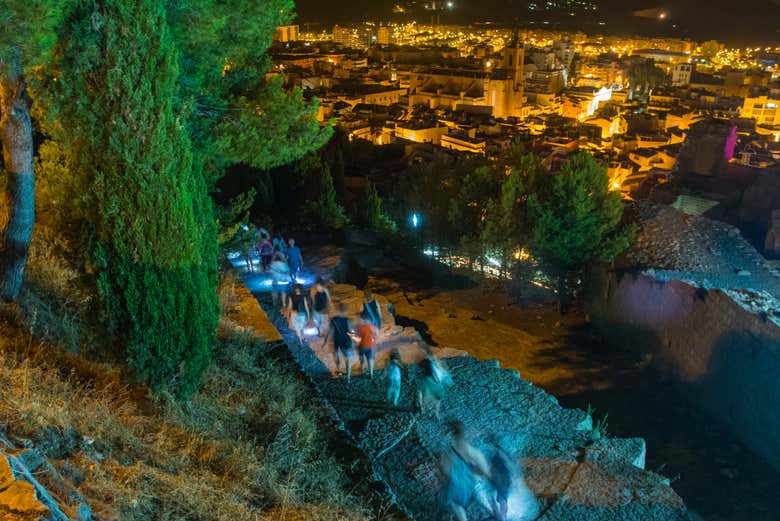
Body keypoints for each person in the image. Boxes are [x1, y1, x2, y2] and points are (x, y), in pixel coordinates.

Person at [440, 419, 489, 521]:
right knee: (458, 507)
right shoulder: (471, 449)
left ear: (453, 434)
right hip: (467, 483)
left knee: (456, 505)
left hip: (456, 483)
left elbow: (445, 469)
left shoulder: (449, 451)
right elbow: (483, 469)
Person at [321, 303, 355, 382]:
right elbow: (351, 332)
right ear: (345, 311)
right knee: (348, 359)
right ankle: (348, 378)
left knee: (337, 356)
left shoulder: (334, 320)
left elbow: (330, 331)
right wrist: (355, 342)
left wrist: (325, 341)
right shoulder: (347, 320)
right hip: (346, 341)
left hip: (337, 340)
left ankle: (339, 372)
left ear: (338, 310)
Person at [417, 348, 452, 419]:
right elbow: (441, 371)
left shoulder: (431, 364)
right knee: (436, 398)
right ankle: (434, 413)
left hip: (430, 380)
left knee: (423, 394)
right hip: (434, 381)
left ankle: (425, 409)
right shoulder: (435, 364)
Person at [487, 436, 513, 521]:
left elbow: (507, 464)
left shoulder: (499, 453)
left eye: (490, 445)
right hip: (500, 479)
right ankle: (501, 517)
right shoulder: (497, 454)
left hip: (502, 479)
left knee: (501, 498)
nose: (490, 447)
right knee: (501, 498)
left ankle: (502, 517)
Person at [357, 311, 379, 378]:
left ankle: (362, 368)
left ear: (364, 320)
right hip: (371, 346)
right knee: (370, 359)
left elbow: (358, 338)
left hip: (362, 346)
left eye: (360, 319)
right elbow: (377, 334)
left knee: (361, 357)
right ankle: (371, 374)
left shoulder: (361, 328)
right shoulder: (373, 326)